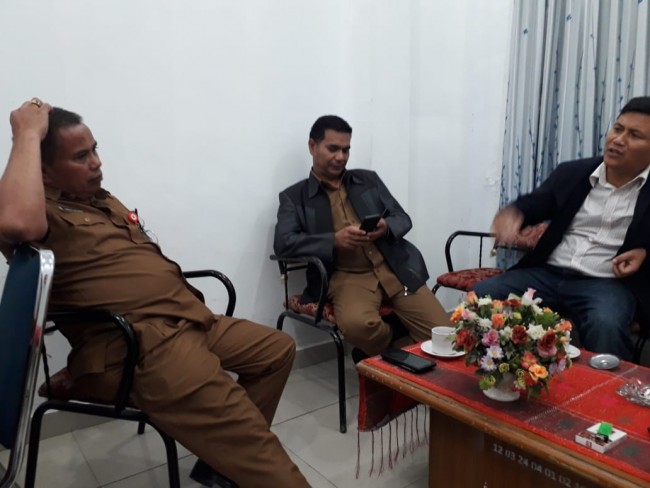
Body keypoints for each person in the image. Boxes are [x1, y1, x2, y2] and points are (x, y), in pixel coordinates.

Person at [0, 99, 310, 488]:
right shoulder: (38, 213)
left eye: (95, 149)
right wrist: (26, 133)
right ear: (44, 170)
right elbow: (15, 223)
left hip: (188, 320)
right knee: (263, 455)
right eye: (81, 156)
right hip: (142, 345)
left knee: (277, 350)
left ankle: (221, 466)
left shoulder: (99, 200)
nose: (96, 162)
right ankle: (241, 454)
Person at [473, 96, 650, 361]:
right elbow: (538, 202)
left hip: (605, 283)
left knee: (606, 324)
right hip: (548, 273)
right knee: (483, 296)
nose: (619, 140)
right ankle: (483, 372)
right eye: (618, 128)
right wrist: (515, 213)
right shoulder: (574, 172)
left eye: (634, 135)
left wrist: (645, 253)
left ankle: (606, 388)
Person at [273, 115, 449, 359]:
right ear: (312, 146)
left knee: (446, 337)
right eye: (333, 149)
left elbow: (402, 217)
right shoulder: (295, 197)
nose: (341, 157)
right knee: (358, 327)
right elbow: (283, 243)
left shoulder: (367, 180)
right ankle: (393, 344)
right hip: (348, 277)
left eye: (346, 150)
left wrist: (385, 226)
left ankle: (383, 357)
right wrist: (333, 240)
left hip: (396, 270)